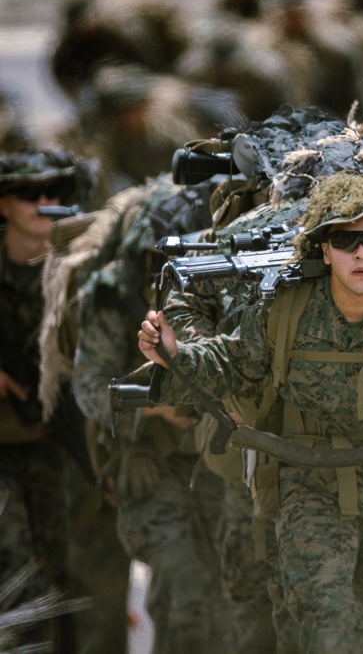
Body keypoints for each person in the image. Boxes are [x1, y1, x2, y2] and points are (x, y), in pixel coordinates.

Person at [138, 170, 363, 652]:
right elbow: (231, 365)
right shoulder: (284, 310)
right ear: (324, 250)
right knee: (325, 623)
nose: (360, 253)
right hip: (309, 483)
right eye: (345, 238)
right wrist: (174, 353)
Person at [72, 174, 228, 653]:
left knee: (229, 599)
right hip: (150, 466)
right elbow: (89, 387)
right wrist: (156, 411)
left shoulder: (223, 287)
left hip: (220, 468)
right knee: (184, 590)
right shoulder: (114, 297)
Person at [0, 149, 91, 649]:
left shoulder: (77, 276)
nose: (45, 203)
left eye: (53, 194)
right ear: (4, 206)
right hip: (4, 447)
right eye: (30, 194)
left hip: (59, 443)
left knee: (65, 574)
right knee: (14, 563)